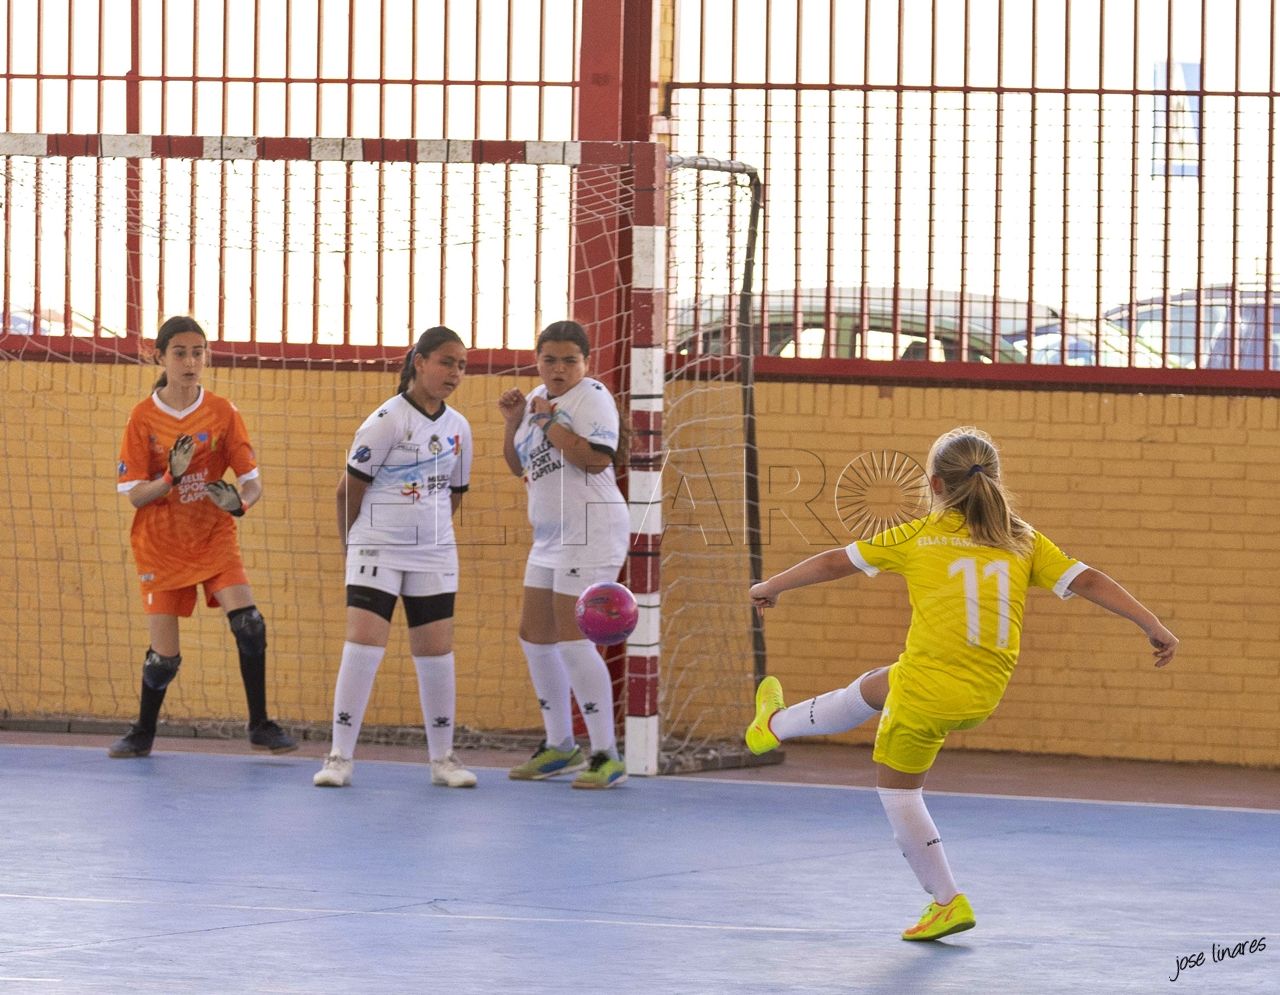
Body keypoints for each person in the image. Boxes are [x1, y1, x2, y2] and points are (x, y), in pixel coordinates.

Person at [745, 426, 1178, 941]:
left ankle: (946, 901)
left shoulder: (913, 536)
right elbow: (1088, 580)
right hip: (981, 692)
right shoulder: (1022, 538)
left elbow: (836, 561)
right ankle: (773, 725)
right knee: (877, 686)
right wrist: (1152, 624)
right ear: (993, 480)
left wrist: (771, 586)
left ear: (933, 484)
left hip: (929, 692)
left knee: (899, 795)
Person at [110, 316, 296, 758]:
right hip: (160, 543)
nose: (190, 361)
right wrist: (170, 479)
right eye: (180, 353)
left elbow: (252, 480)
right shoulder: (142, 418)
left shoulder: (223, 412)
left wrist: (240, 503)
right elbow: (135, 495)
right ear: (160, 357)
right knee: (164, 659)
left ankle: (260, 725)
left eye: (198, 352)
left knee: (249, 624)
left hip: (213, 537)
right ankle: (142, 732)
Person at [313, 326, 477, 790]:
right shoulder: (386, 420)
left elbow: (454, 494)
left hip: (435, 552)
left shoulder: (459, 428)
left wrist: (432, 533)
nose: (455, 373)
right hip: (376, 547)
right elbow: (348, 491)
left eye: (462, 365)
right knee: (364, 644)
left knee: (436, 652)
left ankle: (443, 759)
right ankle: (339, 757)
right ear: (419, 362)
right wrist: (355, 545)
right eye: (447, 362)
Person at [497, 319, 629, 789]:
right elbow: (518, 465)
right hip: (550, 535)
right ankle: (559, 746)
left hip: (591, 529)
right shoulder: (537, 400)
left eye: (569, 360)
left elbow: (596, 459)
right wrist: (517, 422)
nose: (558, 369)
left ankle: (606, 753)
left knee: (574, 640)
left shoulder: (591, 396)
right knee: (534, 636)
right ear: (538, 360)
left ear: (585, 363)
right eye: (549, 359)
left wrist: (548, 423)